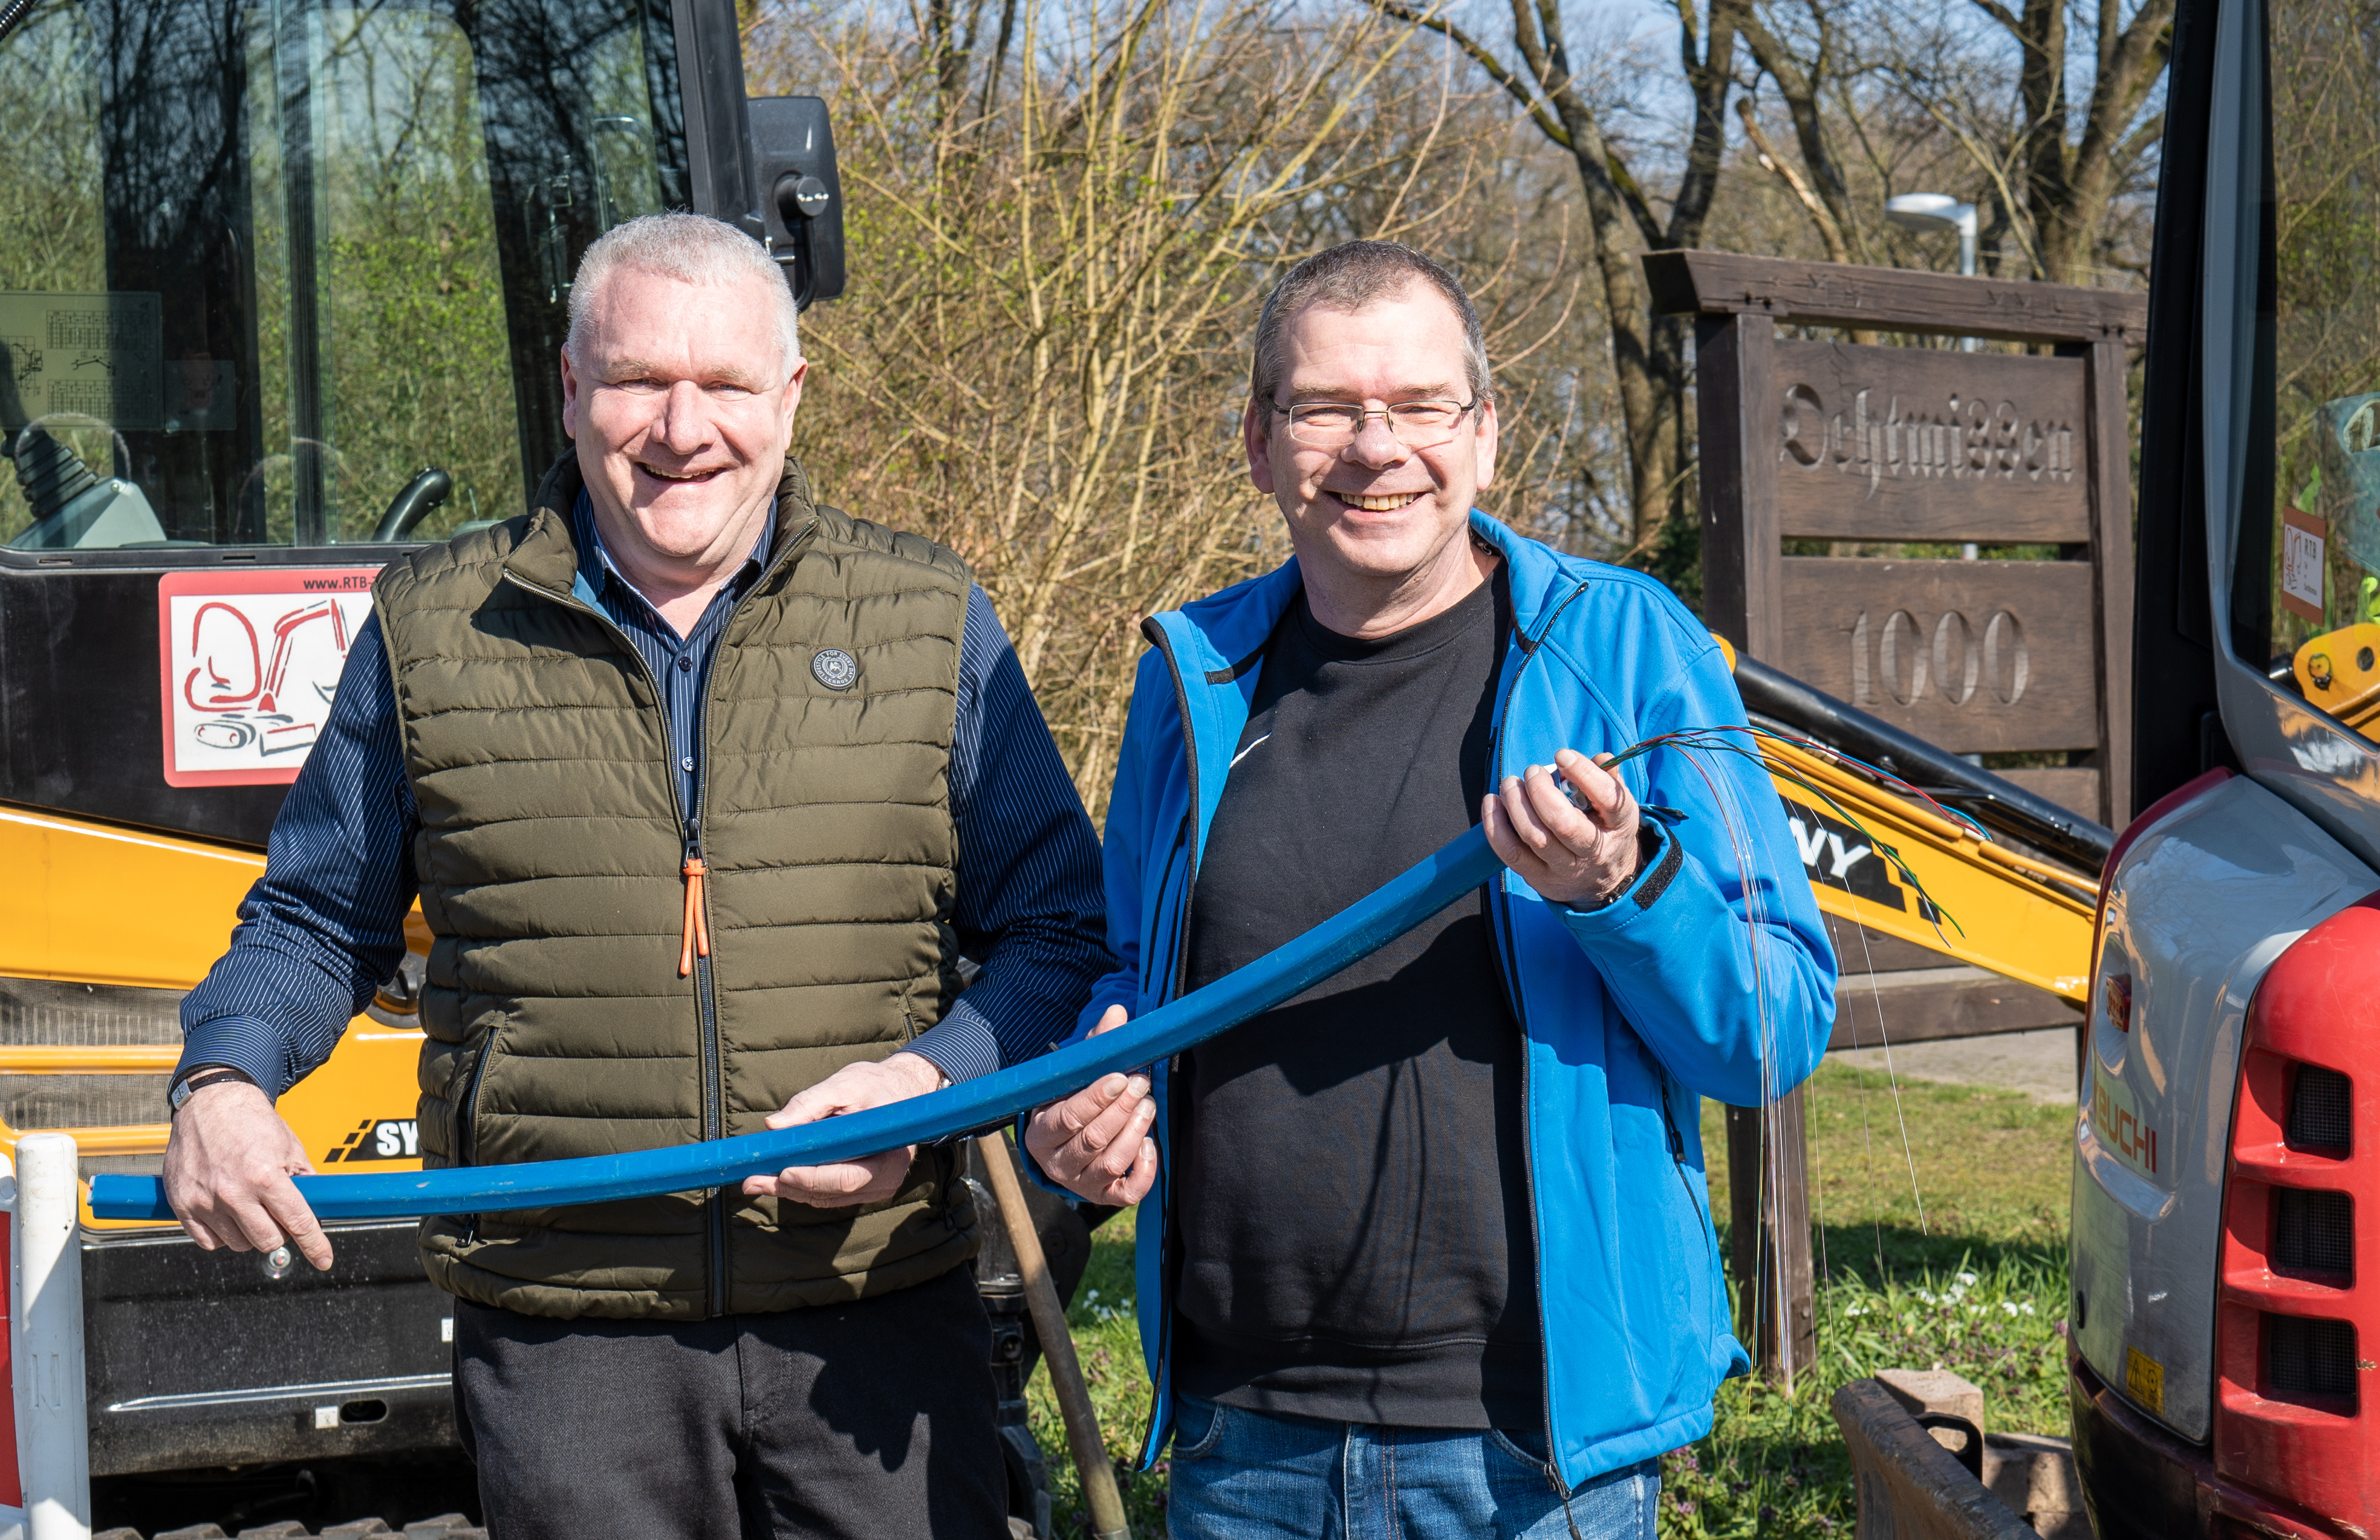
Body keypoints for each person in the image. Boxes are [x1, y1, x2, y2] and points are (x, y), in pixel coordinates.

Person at [160, 212, 1111, 1540]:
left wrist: (929, 1085)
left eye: (724, 384)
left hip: (876, 1330)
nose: (681, 427)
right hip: (568, 1344)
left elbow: (1061, 929)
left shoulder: (929, 617)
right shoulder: (433, 627)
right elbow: (319, 915)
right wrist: (222, 1078)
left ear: (789, 398)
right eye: (636, 381)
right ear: (568, 387)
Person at [1023, 241, 1836, 1538]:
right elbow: (1128, 979)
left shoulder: (1629, 649)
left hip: (1533, 1458)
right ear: (1257, 440)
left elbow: (1771, 1026)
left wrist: (1623, 883)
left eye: (1418, 406)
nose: (1376, 445)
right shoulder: (1191, 676)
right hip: (1247, 1447)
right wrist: (1082, 1108)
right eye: (1329, 406)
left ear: (1488, 434)